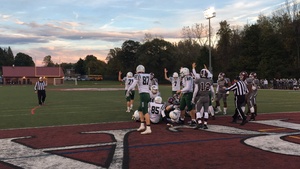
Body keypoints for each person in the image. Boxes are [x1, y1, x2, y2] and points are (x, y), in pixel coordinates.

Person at [127, 65, 152, 134]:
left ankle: (148, 128)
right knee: (140, 110)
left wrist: (128, 89)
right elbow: (150, 84)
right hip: (147, 94)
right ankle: (142, 125)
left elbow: (134, 83)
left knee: (145, 111)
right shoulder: (148, 75)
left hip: (143, 95)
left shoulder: (137, 75)